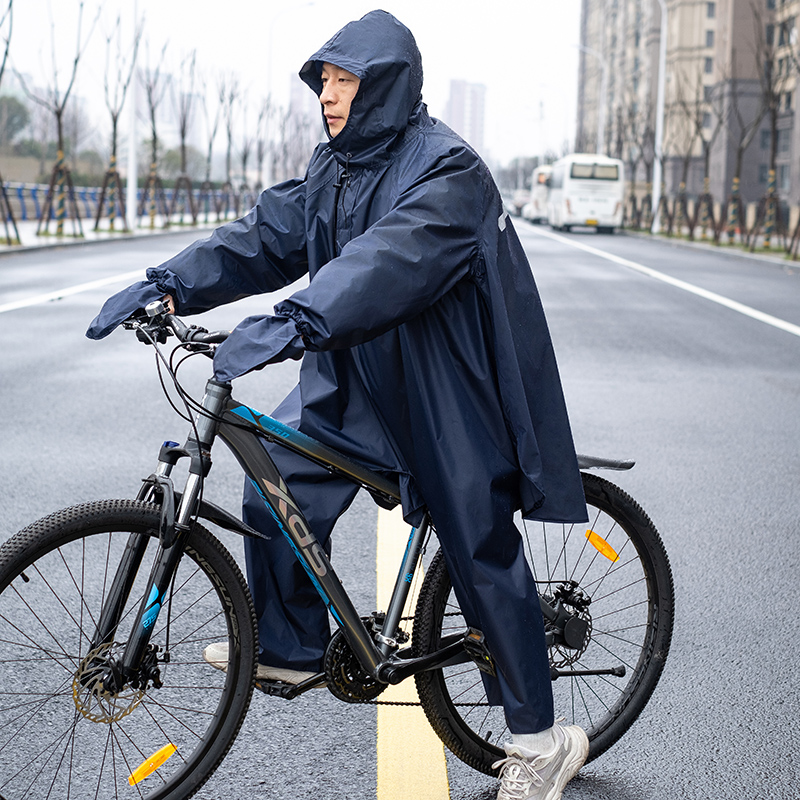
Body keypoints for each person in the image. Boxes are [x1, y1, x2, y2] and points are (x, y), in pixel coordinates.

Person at [87, 11, 589, 800]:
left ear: (382, 85)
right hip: (351, 380)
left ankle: (539, 741)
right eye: (323, 79)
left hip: (441, 388)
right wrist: (170, 280)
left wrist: (293, 321)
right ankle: (286, 645)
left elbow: (386, 266)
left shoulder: (448, 170)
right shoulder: (336, 167)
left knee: (477, 547)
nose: (327, 94)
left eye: (344, 80)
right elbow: (265, 235)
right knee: (272, 479)